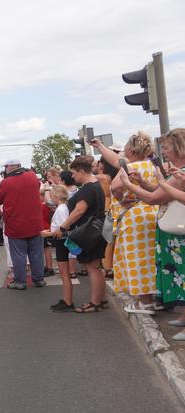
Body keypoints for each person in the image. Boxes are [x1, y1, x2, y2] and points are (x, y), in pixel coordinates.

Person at [117, 128, 185, 340]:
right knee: (179, 274)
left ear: (178, 147)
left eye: (165, 147)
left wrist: (129, 184)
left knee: (182, 274)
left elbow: (155, 197)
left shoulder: (180, 172)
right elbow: (160, 193)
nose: (163, 152)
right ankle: (183, 316)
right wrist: (148, 183)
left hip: (179, 230)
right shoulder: (176, 171)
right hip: (176, 228)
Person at [93, 133, 157, 314]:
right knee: (153, 258)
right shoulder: (152, 165)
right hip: (152, 212)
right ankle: (157, 298)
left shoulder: (129, 168)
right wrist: (100, 146)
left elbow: (115, 187)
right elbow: (115, 159)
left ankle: (145, 302)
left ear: (130, 149)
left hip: (134, 216)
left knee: (138, 258)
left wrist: (121, 200)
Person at [53, 156, 108, 313]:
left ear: (82, 171)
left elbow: (79, 211)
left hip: (88, 233)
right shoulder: (96, 186)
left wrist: (63, 227)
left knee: (92, 267)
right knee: (96, 267)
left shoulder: (88, 188)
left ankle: (95, 302)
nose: (72, 176)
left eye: (74, 173)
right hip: (97, 231)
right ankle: (101, 299)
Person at [0, 159, 46, 290]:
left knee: (18, 254)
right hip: (35, 222)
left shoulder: (6, 182)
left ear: (10, 168)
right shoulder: (32, 176)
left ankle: (20, 281)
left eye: (6, 167)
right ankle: (38, 279)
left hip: (16, 224)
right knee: (36, 253)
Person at [41, 185, 75, 312]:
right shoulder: (63, 207)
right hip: (62, 242)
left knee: (64, 274)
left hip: (61, 242)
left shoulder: (61, 209)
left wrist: (48, 233)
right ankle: (67, 299)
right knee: (64, 274)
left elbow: (62, 230)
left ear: (56, 196)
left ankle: (68, 301)